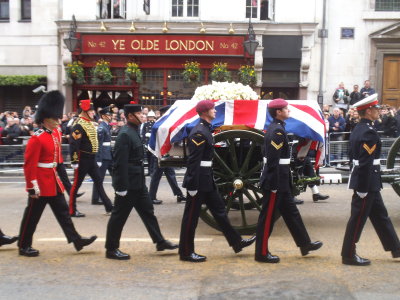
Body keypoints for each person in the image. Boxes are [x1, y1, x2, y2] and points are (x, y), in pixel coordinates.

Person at [18, 91, 97, 257]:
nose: (58, 121)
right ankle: (24, 245)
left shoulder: (56, 133)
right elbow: (29, 165)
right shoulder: (37, 138)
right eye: (55, 118)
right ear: (46, 118)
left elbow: (57, 160)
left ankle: (76, 240)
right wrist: (32, 186)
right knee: (32, 216)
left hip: (53, 180)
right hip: (40, 183)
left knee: (63, 213)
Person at [179, 100, 256, 262]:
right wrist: (192, 184)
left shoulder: (205, 129)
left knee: (220, 211)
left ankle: (236, 242)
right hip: (198, 180)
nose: (215, 111)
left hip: (207, 179)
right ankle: (186, 252)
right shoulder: (199, 132)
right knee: (191, 218)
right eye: (212, 109)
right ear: (204, 112)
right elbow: (194, 161)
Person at [105, 103, 178, 260]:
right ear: (130, 116)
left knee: (148, 211)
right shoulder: (125, 134)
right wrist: (121, 186)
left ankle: (160, 241)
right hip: (128, 183)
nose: (143, 116)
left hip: (138, 181)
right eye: (139, 114)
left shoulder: (134, 131)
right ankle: (111, 249)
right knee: (119, 216)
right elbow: (119, 163)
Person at [255, 98, 322, 263]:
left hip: (282, 180)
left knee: (291, 213)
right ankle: (261, 253)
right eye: (286, 109)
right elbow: (272, 161)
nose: (288, 111)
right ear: (278, 112)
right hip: (275, 181)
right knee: (268, 217)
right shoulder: (276, 132)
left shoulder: (278, 129)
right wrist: (274, 184)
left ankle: (305, 244)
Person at [342, 94, 400, 265]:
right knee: (358, 218)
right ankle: (348, 254)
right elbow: (365, 162)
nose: (379, 111)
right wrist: (362, 187)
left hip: (370, 180)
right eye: (376, 109)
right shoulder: (368, 132)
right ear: (368, 111)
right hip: (366, 181)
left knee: (381, 216)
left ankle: (395, 247)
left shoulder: (360, 129)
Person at [69, 100, 113, 217]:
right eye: (91, 111)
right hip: (82, 159)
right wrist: (74, 160)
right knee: (76, 185)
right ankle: (72, 210)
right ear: (85, 111)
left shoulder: (90, 123)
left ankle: (109, 207)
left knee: (99, 182)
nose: (94, 113)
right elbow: (74, 144)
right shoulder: (78, 124)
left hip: (91, 159)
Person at [148, 106, 186, 204]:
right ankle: (151, 197)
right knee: (156, 176)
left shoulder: (163, 123)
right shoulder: (160, 124)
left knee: (171, 175)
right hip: (159, 153)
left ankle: (179, 195)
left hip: (166, 153)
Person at [294, 138, 329, 202]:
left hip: (303, 152)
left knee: (311, 174)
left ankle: (315, 193)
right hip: (297, 152)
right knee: (296, 175)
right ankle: (292, 196)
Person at [92, 105, 114, 205]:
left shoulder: (106, 126)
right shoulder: (101, 128)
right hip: (104, 156)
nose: (111, 117)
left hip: (108, 155)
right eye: (109, 115)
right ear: (104, 116)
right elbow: (99, 145)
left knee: (115, 175)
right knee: (99, 178)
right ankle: (96, 198)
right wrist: (98, 159)